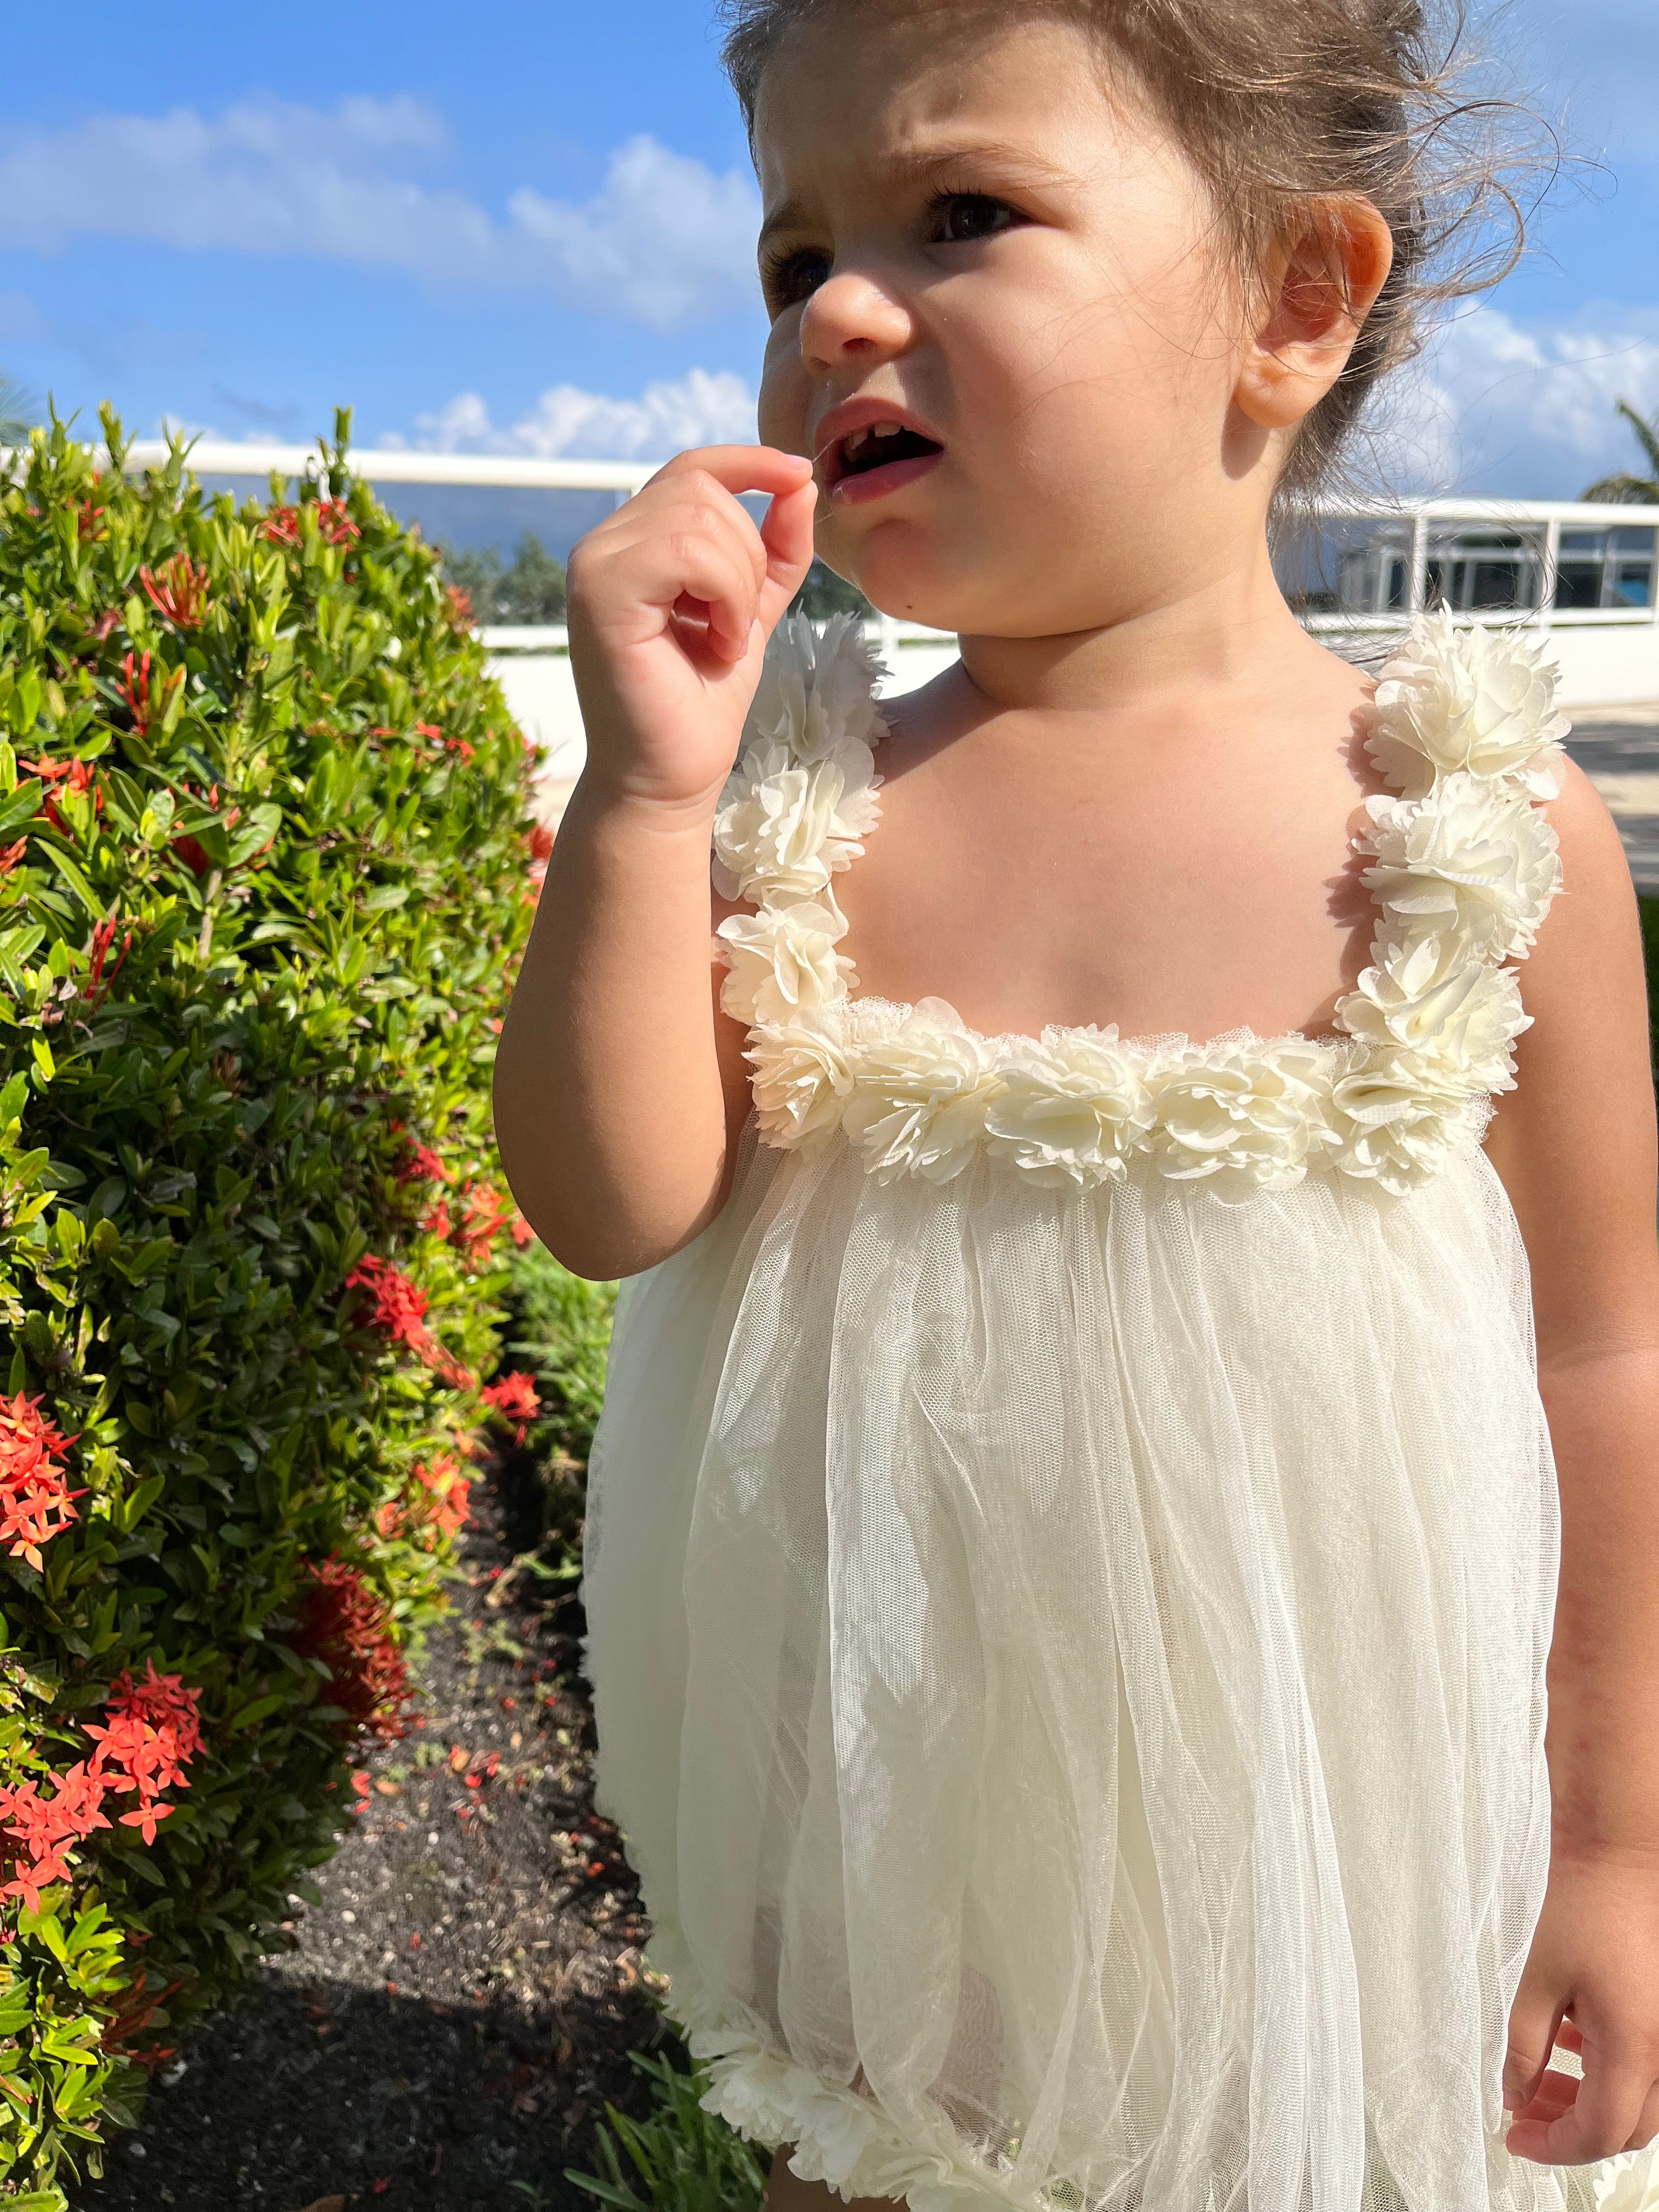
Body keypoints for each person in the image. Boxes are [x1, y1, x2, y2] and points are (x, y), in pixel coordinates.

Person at [492, 2, 1659, 2206]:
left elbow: (1606, 1357)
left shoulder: (1473, 827)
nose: (836, 305)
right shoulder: (797, 799)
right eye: (790, 256)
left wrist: (1613, 1841)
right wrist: (645, 793)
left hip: (1334, 1861)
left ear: (1294, 307)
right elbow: (608, 1201)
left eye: (961, 215)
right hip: (902, 1832)